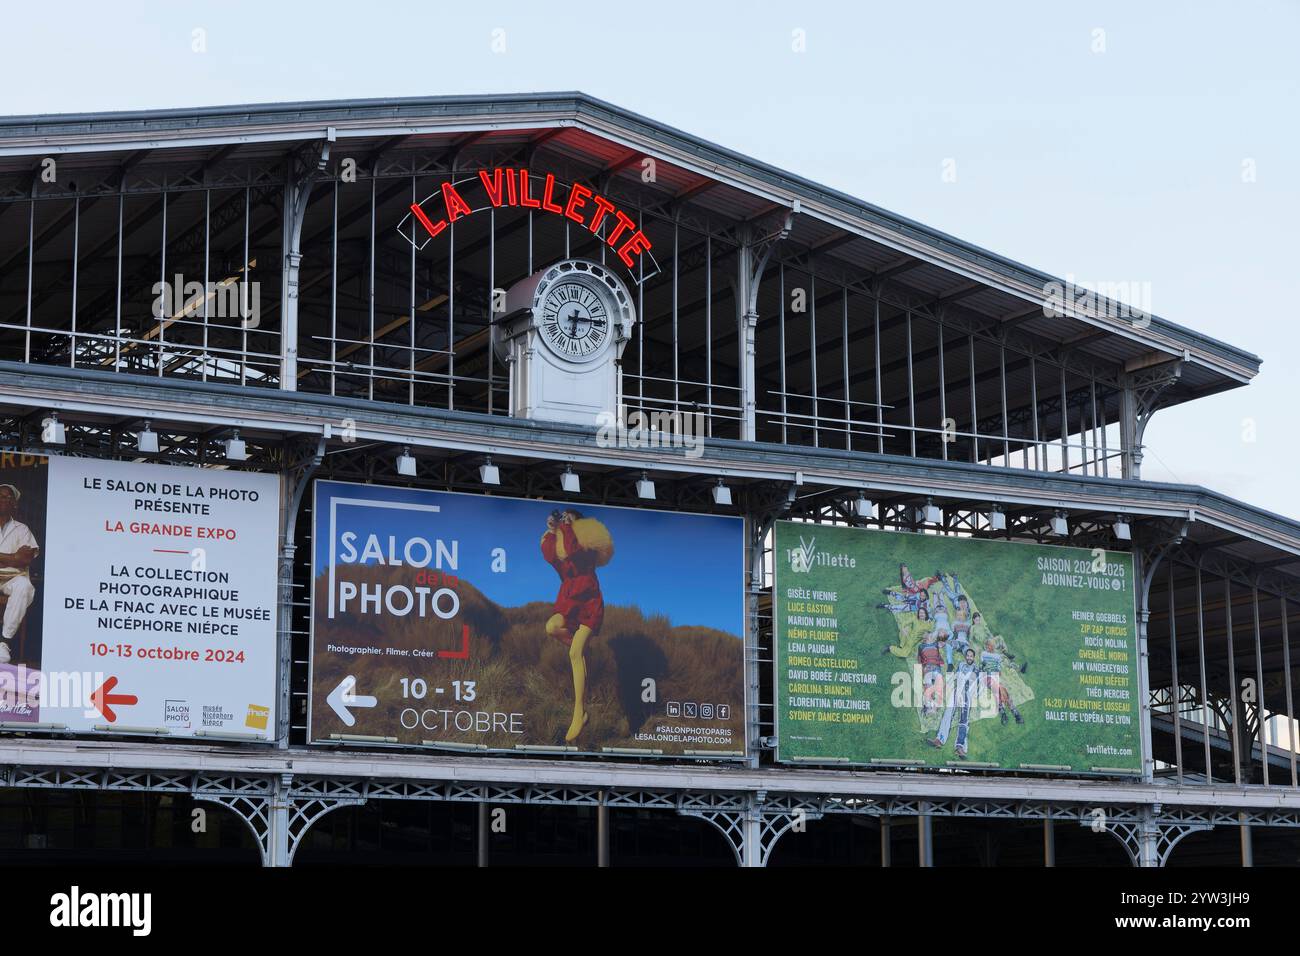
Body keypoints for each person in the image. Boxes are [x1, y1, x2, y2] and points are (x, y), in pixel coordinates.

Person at [540, 509, 606, 743]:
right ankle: (582, 649)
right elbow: (550, 556)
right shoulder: (563, 544)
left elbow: (572, 549)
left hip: (589, 603)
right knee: (551, 627)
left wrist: (566, 526)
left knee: (575, 653)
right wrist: (551, 529)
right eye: (564, 518)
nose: (565, 521)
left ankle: (580, 712)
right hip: (569, 603)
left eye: (570, 519)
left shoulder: (585, 546)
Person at [0, 483, 38, 665]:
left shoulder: (22, 529)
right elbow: (17, 558)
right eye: (0, 496)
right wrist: (13, 556)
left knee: (25, 586)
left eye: (7, 497)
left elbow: (25, 559)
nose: (3, 500)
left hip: (12, 577)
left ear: (14, 503)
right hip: (11, 569)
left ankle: (4, 642)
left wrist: (17, 559)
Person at [931, 647, 980, 758]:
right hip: (956, 690)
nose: (969, 657)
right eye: (967, 655)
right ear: (965, 656)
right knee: (948, 714)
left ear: (974, 658)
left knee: (963, 720)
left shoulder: (976, 669)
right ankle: (939, 739)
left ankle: (959, 747)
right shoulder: (961, 664)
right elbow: (957, 677)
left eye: (971, 656)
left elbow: (970, 682)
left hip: (966, 694)